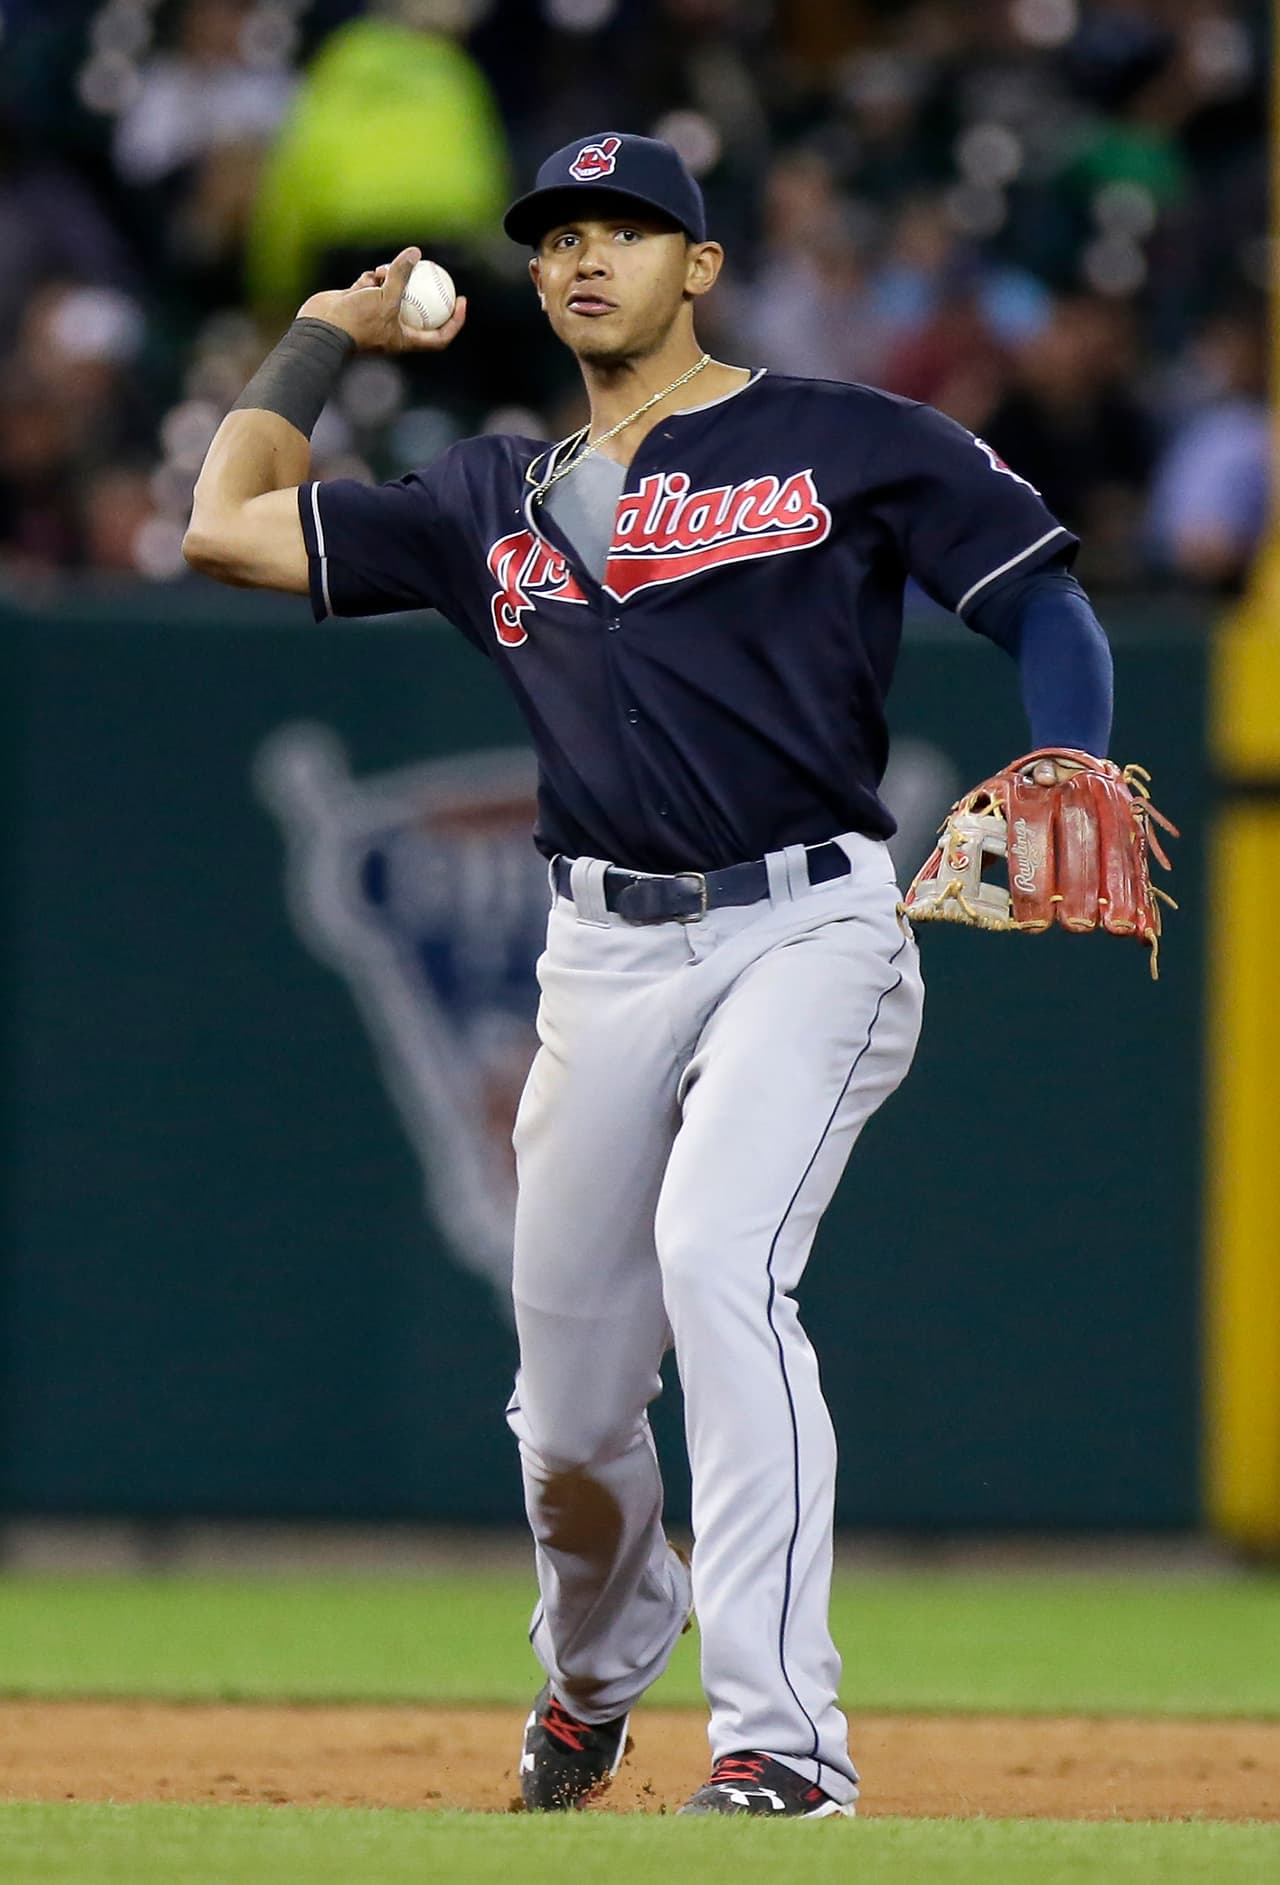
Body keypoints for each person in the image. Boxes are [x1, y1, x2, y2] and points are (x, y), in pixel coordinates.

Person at [183, 133, 1113, 1818]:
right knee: (568, 1404)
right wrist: (323, 326)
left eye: (627, 230)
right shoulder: (486, 498)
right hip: (598, 954)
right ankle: (596, 1677)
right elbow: (221, 525)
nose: (583, 257)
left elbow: (1044, 597)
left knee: (719, 1257)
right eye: (558, 237)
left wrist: (1075, 757)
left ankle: (782, 1744)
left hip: (808, 926)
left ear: (702, 264)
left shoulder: (841, 438)